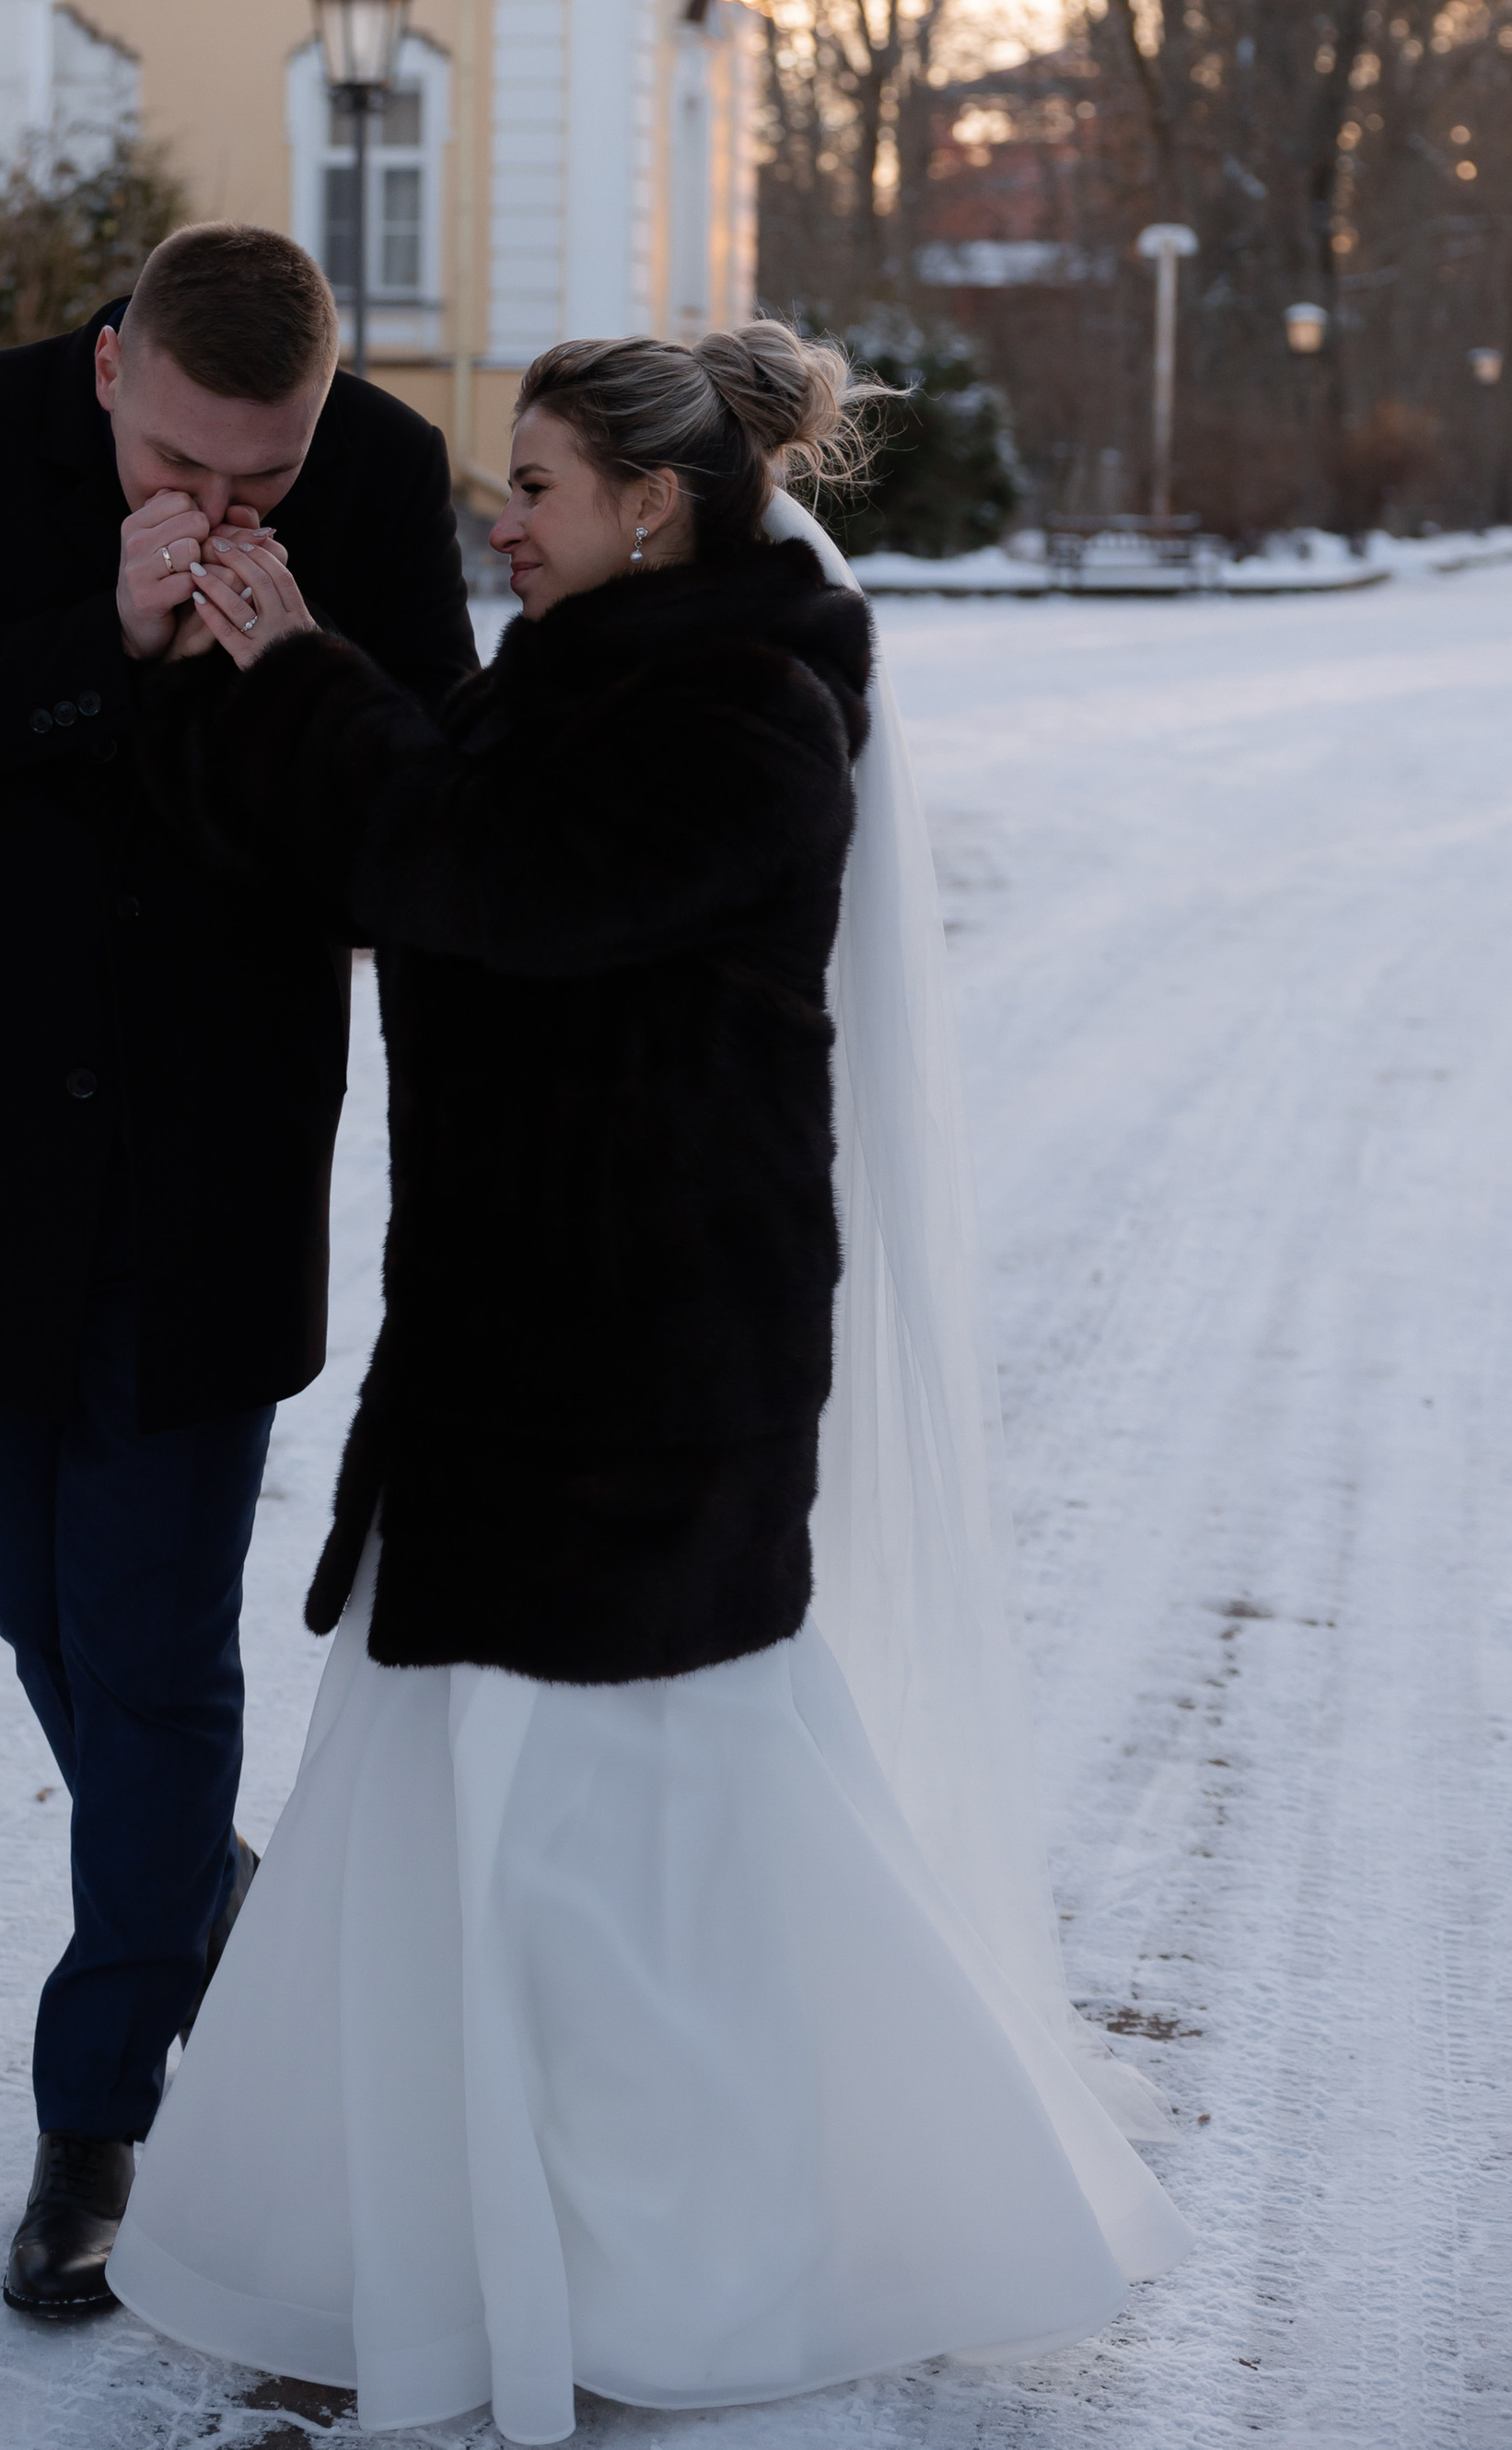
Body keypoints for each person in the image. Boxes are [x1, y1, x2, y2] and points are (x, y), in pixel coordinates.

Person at [110, 325, 1191, 2442]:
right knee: (494, 1815)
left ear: (652, 504)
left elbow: (484, 886)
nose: (498, 514)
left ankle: (696, 2268)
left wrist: (312, 678)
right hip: (523, 1349)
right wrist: (244, 674)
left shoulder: (750, 708)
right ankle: (450, 2244)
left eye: (532, 480)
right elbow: (398, 855)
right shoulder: (592, 670)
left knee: (628, 1837)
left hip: (650, 1361)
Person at [0, 220, 476, 2316]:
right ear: (111, 373)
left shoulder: (375, 475)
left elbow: (426, 828)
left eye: (262, 475)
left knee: (160, 1655)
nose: (224, 506)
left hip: (212, 1156)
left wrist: (299, 666)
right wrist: (92, 631)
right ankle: (205, 1901)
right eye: (184, 465)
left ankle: (97, 2116)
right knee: (45, 1617)